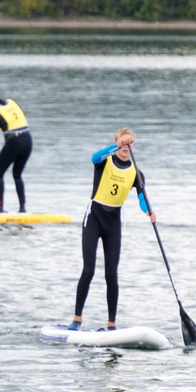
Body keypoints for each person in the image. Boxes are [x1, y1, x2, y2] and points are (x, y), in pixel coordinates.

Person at [70, 128, 156, 331]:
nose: (127, 147)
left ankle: (111, 325)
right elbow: (94, 156)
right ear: (117, 143)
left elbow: (142, 198)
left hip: (114, 223)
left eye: (130, 144)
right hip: (94, 218)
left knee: (111, 274)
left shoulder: (136, 172)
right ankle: (76, 320)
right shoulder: (104, 161)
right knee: (89, 270)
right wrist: (116, 145)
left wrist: (149, 211)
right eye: (124, 143)